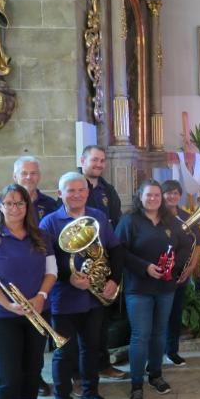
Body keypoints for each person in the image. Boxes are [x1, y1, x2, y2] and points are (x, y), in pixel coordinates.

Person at [39, 172, 124, 399]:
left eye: (81, 190)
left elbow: (115, 249)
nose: (77, 195)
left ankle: (91, 395)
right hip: (63, 299)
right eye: (71, 190)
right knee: (64, 353)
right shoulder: (49, 223)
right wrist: (70, 278)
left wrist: (114, 280)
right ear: (60, 193)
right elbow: (45, 261)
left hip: (94, 299)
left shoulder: (98, 216)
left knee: (91, 349)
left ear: (87, 192)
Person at [0, 184, 57, 399]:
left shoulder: (41, 236)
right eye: (9, 203)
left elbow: (52, 272)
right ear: (1, 207)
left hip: (37, 313)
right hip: (2, 317)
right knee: (9, 379)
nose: (15, 208)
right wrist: (10, 305)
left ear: (27, 206)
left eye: (20, 203)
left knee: (32, 375)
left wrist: (41, 296)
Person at [114, 180, 186, 399]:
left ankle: (155, 374)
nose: (153, 199)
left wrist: (173, 267)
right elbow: (119, 251)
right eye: (149, 195)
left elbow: (185, 246)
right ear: (140, 196)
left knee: (159, 333)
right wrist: (145, 267)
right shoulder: (129, 221)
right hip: (139, 288)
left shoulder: (170, 221)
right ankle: (136, 385)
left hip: (165, 287)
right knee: (140, 335)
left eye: (157, 195)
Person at [78, 145, 127, 382]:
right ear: (83, 160)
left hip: (105, 261)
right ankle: (79, 375)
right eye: (94, 160)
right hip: (81, 263)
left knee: (103, 317)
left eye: (102, 161)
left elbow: (116, 223)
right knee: (81, 321)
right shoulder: (74, 186)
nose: (98, 164)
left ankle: (103, 364)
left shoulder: (108, 190)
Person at [161, 180, 200, 367]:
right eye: (168, 193)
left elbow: (199, 243)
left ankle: (172, 352)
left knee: (175, 313)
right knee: (158, 316)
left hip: (180, 274)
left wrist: (192, 266)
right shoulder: (156, 216)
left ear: (180, 196)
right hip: (159, 274)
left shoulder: (187, 217)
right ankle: (154, 354)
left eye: (175, 193)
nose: (172, 196)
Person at [0, 156, 59, 228]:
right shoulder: (3, 202)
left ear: (39, 176)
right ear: (15, 177)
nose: (29, 177)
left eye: (33, 173)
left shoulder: (50, 204)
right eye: (24, 173)